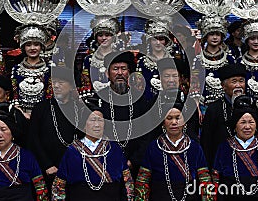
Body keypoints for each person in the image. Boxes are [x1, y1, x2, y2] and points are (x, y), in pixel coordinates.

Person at [51, 105, 134, 201]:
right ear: (84, 125)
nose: (97, 125)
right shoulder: (72, 151)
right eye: (92, 120)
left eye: (100, 120)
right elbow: (58, 187)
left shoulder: (114, 149)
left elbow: (128, 184)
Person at [134, 102, 213, 201]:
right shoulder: (154, 147)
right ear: (163, 122)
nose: (174, 122)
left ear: (185, 121)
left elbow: (205, 180)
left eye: (178, 118)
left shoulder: (194, 147)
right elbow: (143, 181)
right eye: (169, 118)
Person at [91, 50, 149, 179]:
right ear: (107, 73)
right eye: (115, 69)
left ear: (129, 73)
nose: (119, 73)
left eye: (123, 69)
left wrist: (133, 160)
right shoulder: (99, 98)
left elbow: (146, 135)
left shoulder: (139, 99)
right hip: (104, 161)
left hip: (135, 164)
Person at [212, 95, 258, 201]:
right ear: (235, 125)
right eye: (243, 122)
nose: (247, 127)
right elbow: (216, 180)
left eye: (251, 122)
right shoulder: (225, 147)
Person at [28, 66, 83, 196]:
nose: (56, 86)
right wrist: (47, 165)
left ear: (71, 86)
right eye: (54, 82)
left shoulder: (80, 108)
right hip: (49, 169)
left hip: (75, 168)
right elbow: (33, 139)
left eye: (61, 82)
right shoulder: (41, 108)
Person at [200, 62, 247, 169]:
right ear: (223, 86)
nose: (238, 85)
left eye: (241, 81)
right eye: (234, 81)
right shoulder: (214, 109)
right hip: (221, 164)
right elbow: (207, 143)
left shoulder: (251, 105)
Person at [148, 57, 199, 141]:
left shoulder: (189, 103)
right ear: (160, 78)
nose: (171, 80)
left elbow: (193, 131)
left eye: (175, 76)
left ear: (181, 79)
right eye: (167, 76)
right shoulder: (153, 103)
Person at [10, 24, 53, 118]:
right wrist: (21, 113)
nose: (32, 48)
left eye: (36, 44)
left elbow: (50, 95)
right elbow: (14, 94)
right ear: (23, 47)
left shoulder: (50, 70)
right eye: (28, 45)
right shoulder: (16, 69)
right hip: (20, 114)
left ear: (41, 47)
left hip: (43, 115)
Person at [193, 14, 234, 106]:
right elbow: (195, 82)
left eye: (217, 34)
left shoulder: (229, 58)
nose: (215, 37)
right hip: (204, 102)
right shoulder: (198, 59)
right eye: (211, 34)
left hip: (226, 102)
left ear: (222, 37)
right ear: (206, 36)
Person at [80, 16, 120, 97]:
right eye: (100, 35)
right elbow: (86, 82)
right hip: (94, 98)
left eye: (108, 35)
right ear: (96, 37)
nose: (104, 38)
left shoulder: (119, 57)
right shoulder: (89, 59)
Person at [136, 17, 174, 102]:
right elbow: (139, 86)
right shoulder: (142, 61)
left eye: (161, 39)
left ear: (166, 41)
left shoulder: (173, 61)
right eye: (155, 39)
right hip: (147, 103)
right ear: (149, 41)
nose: (158, 43)